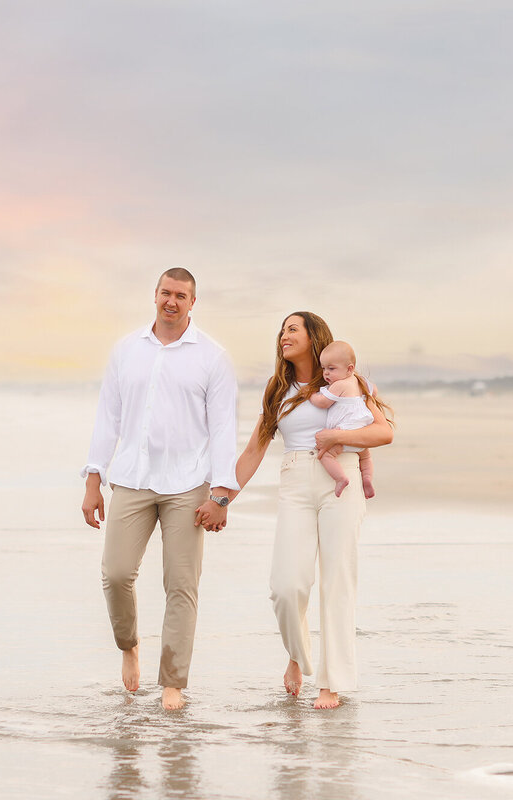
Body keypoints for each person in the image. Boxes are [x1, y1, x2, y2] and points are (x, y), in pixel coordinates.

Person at [81, 267, 239, 711]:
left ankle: (173, 682)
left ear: (193, 303)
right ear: (154, 295)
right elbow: (107, 417)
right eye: (166, 293)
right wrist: (94, 477)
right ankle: (128, 645)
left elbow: (224, 428)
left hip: (188, 484)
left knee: (181, 584)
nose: (172, 301)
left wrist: (222, 494)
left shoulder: (212, 357)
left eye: (182, 296)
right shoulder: (126, 350)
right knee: (115, 574)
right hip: (131, 478)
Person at [228, 312, 393, 709]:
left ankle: (331, 683)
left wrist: (337, 435)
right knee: (287, 586)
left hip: (341, 479)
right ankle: (298, 659)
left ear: (313, 336)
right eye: (282, 330)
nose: (283, 335)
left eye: (292, 329)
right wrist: (221, 499)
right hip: (295, 481)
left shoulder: (342, 382)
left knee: (337, 582)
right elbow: (254, 450)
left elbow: (383, 431)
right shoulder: (278, 388)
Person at [309, 340, 377, 498]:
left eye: (331, 369)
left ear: (350, 369)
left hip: (344, 433)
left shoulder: (339, 385)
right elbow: (374, 392)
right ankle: (367, 478)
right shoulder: (359, 382)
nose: (326, 373)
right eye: (324, 368)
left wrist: (311, 396)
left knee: (326, 455)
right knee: (366, 457)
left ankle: (340, 479)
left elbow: (323, 403)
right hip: (361, 433)